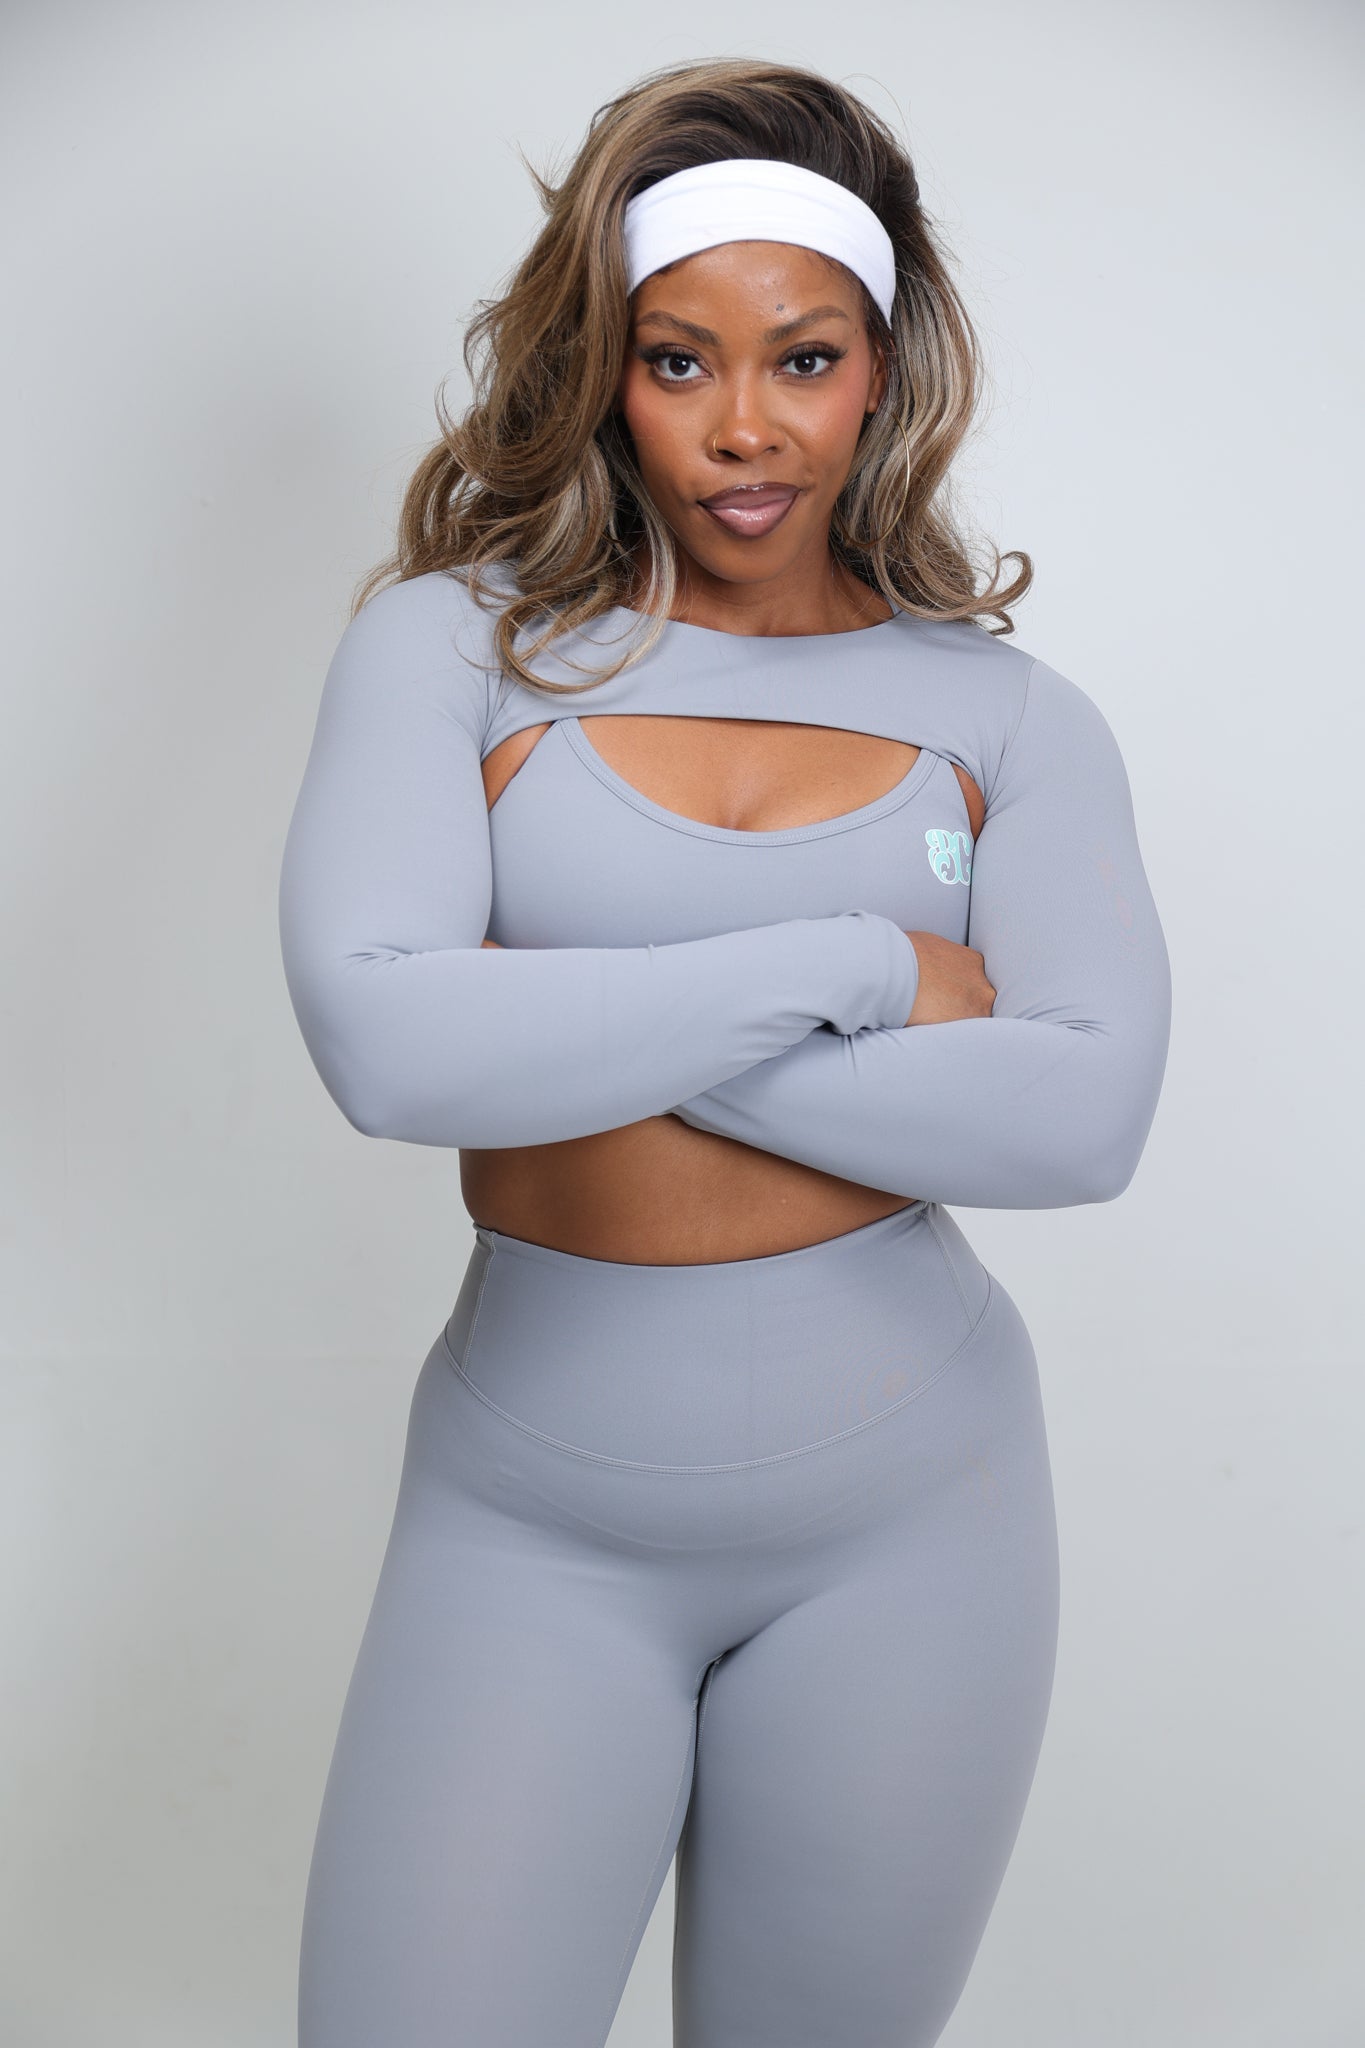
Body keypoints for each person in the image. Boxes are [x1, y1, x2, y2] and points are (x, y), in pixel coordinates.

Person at [278, 55, 1172, 2048]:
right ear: (603, 371)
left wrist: (554, 1010)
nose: (743, 428)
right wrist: (858, 962)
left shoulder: (1008, 718)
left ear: (882, 372)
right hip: (529, 1518)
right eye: (677, 361)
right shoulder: (455, 647)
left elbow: (1082, 1115)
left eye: (803, 360)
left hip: (917, 1512)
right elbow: (385, 1046)